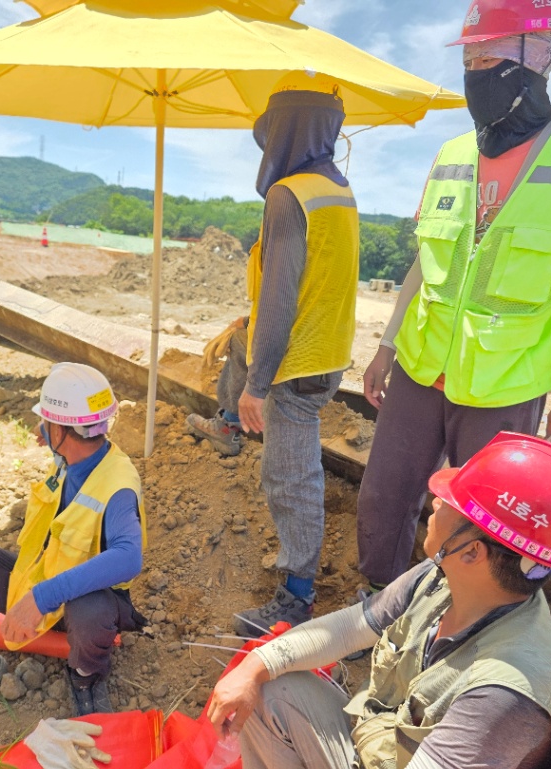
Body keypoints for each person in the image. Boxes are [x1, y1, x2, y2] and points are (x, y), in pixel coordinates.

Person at [356, 0, 551, 593]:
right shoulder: (452, 154)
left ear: (543, 54)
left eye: (494, 57)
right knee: (383, 496)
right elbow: (425, 262)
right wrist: (386, 344)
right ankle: (378, 600)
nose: (478, 71)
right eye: (471, 60)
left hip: (505, 382)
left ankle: (454, 616)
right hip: (421, 365)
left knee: (478, 521)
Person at [208, 432, 551, 769]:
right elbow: (348, 628)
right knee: (269, 689)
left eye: (452, 504)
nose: (436, 502)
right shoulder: (441, 577)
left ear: (472, 551)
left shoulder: (503, 695)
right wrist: (256, 666)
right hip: (383, 748)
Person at [186, 70, 360, 637]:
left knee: (289, 476)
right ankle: (227, 425)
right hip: (325, 347)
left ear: (283, 131)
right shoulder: (335, 189)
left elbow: (283, 299)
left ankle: (295, 599)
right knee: (241, 342)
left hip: (296, 362)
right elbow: (308, 283)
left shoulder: (290, 196)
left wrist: (257, 387)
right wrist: (250, 328)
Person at [0, 362, 147, 735]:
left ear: (62, 430)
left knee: (90, 611)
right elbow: (65, 439)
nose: (43, 429)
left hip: (86, 603)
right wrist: (49, 432)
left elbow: (129, 557)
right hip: (41, 580)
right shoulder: (72, 453)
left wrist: (42, 598)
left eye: (47, 423)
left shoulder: (118, 484)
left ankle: (87, 678)